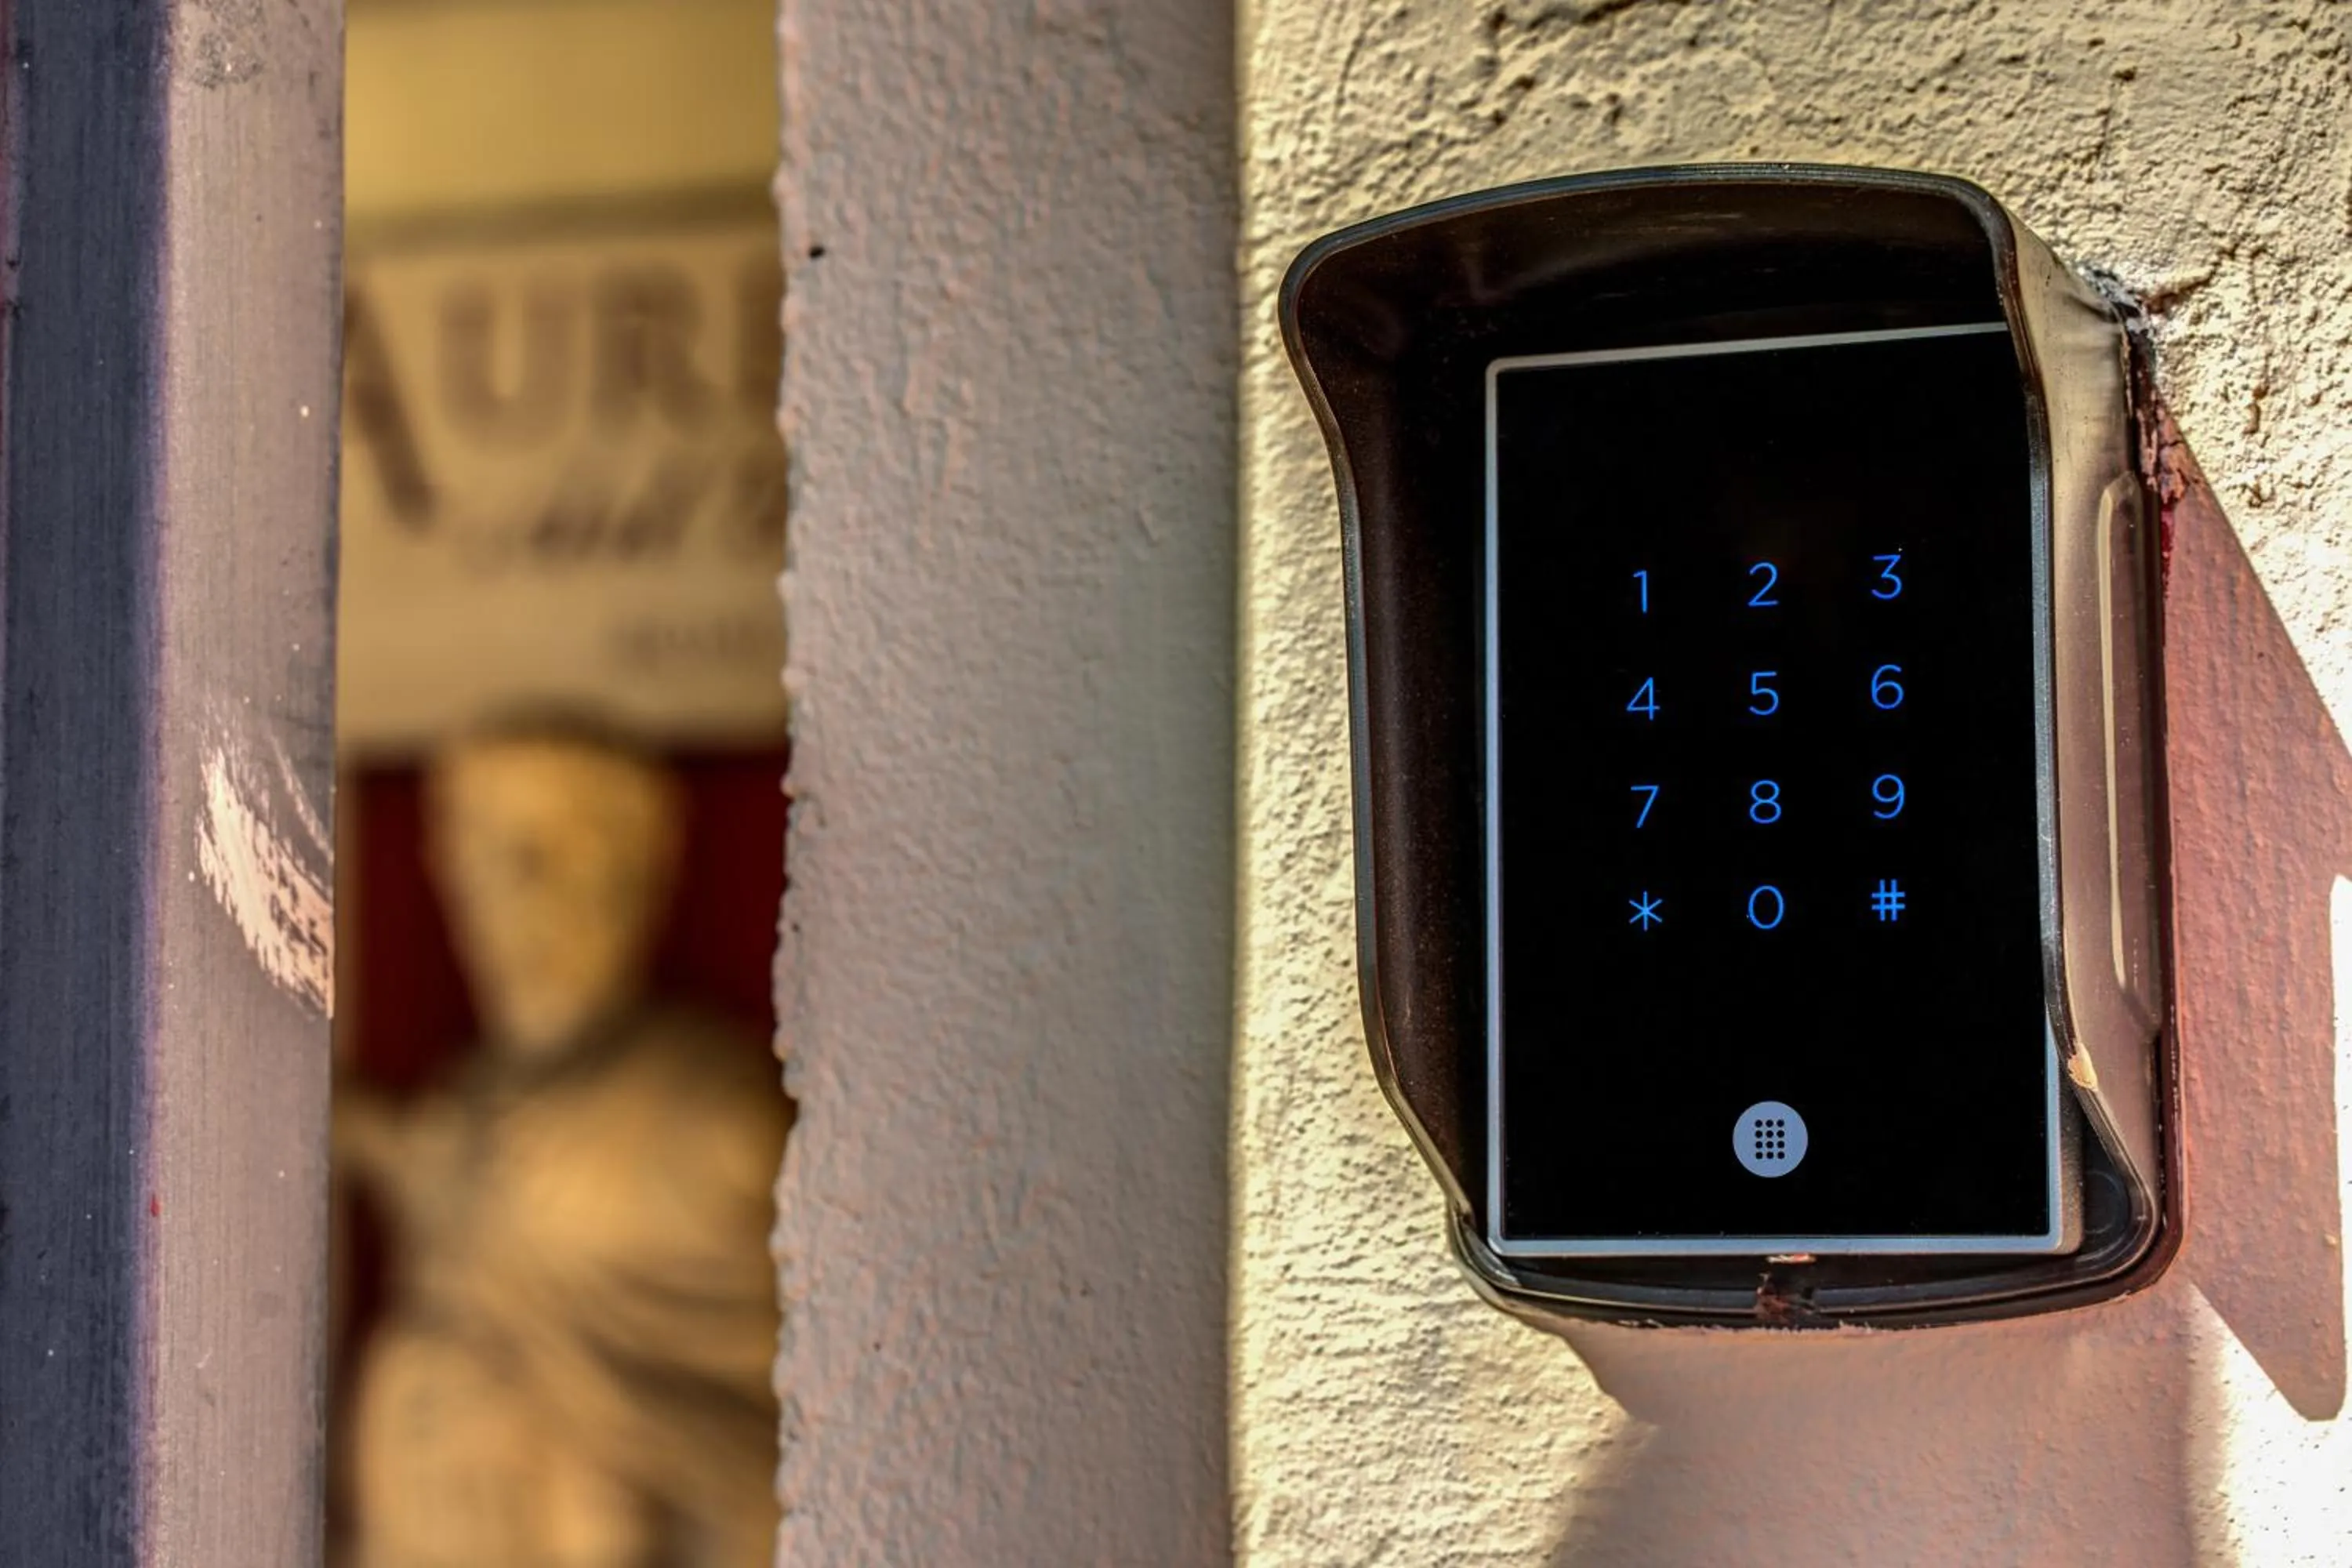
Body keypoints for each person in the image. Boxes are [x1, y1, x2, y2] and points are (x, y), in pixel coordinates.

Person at [336, 719, 790, 1567]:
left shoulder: (701, 1102)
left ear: (635, 872)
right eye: (494, 854)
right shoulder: (462, 1106)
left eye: (561, 848)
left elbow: (486, 1187)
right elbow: (444, 1169)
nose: (524, 890)